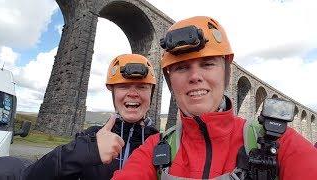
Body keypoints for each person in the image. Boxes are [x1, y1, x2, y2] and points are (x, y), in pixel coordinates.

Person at [112, 16, 317, 180]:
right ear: (170, 80)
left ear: (226, 72)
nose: (195, 77)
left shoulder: (280, 143)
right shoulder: (153, 149)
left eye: (207, 64)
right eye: (182, 68)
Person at [0, 54, 159, 180]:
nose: (132, 93)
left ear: (151, 94)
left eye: (141, 87)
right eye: (123, 86)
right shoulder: (90, 136)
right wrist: (87, 151)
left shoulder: (162, 144)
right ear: (113, 93)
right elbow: (32, 176)